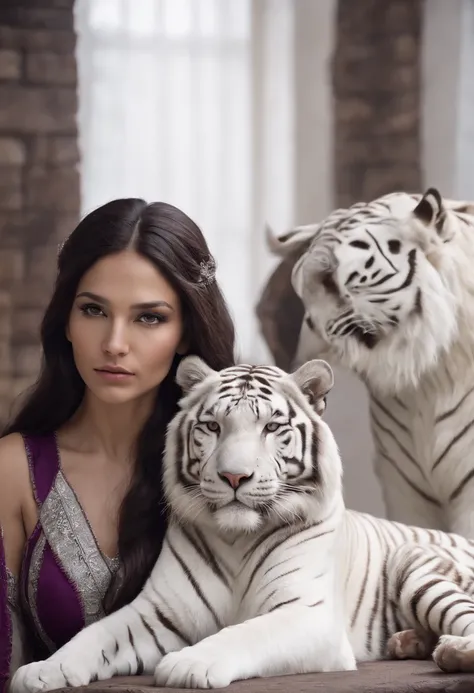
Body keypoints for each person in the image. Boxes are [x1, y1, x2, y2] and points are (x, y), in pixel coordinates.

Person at [0, 199, 236, 690]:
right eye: (93, 310)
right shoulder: (15, 470)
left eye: (148, 318)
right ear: (65, 321)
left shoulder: (237, 468)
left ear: (187, 332)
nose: (114, 342)